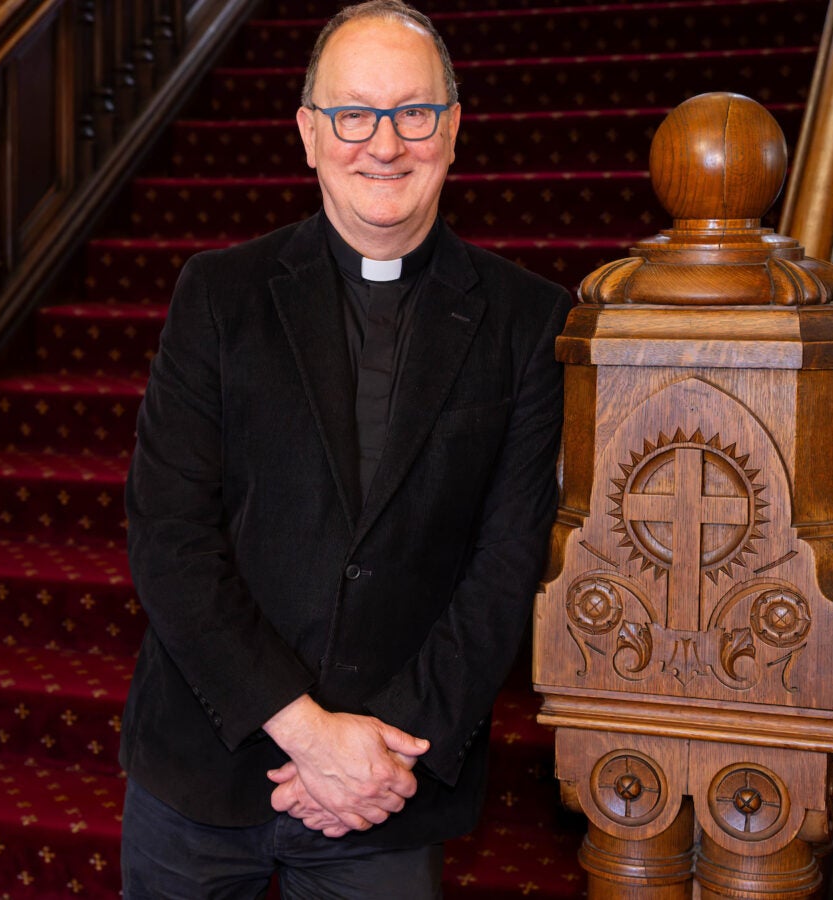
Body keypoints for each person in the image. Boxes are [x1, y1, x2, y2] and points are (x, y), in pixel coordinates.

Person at [119, 1, 570, 896]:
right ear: (309, 135)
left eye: (414, 112)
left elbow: (509, 561)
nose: (385, 144)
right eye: (354, 114)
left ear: (453, 130)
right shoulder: (219, 295)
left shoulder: (529, 319)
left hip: (388, 788)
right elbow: (169, 535)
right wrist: (309, 733)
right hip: (201, 771)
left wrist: (379, 755)